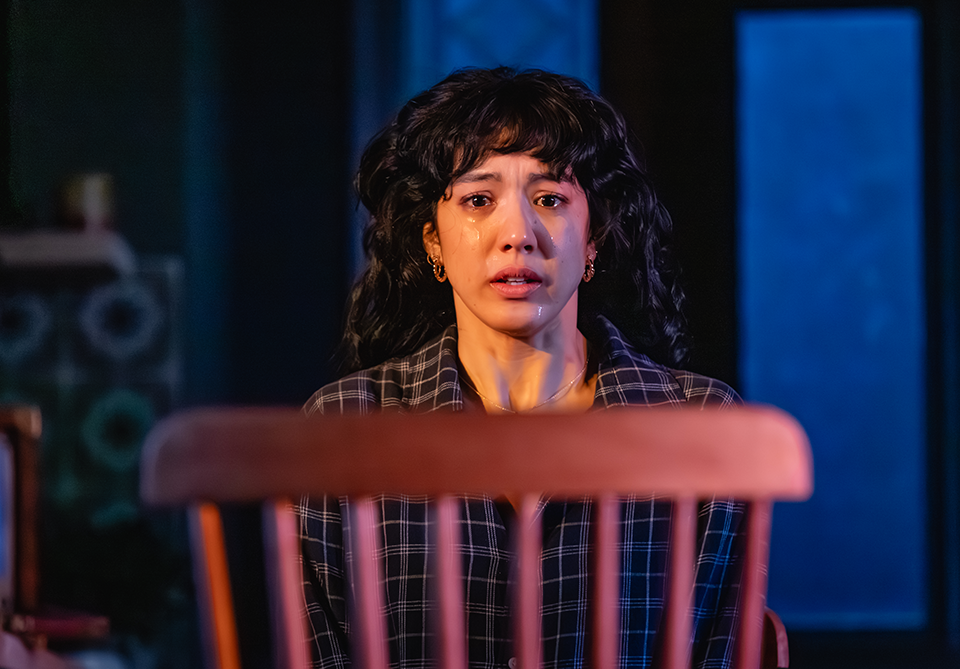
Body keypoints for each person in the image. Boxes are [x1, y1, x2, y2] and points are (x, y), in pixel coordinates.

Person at [299, 67, 744, 669]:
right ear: (433, 240)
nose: (517, 233)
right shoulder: (344, 428)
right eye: (479, 200)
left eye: (550, 199)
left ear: (593, 241)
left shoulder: (701, 427)